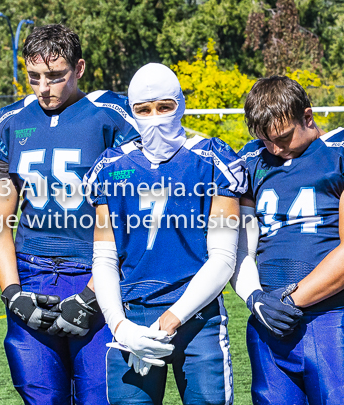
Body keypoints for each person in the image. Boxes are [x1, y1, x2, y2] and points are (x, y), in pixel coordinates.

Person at [0, 24, 140, 404]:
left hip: (96, 271)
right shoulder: (9, 122)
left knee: (101, 395)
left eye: (56, 77)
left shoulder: (111, 115)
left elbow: (131, 217)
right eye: (34, 77)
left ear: (80, 68)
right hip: (32, 272)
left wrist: (93, 293)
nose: (44, 88)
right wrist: (11, 292)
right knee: (40, 395)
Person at [86, 63, 246, 405]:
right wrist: (120, 327)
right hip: (132, 315)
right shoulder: (110, 166)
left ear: (181, 104)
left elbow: (223, 259)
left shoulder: (214, 158)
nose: (155, 117)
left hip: (197, 316)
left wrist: (170, 320)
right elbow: (104, 258)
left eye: (164, 107)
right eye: (143, 110)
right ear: (132, 113)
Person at [231, 75, 344, 405]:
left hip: (332, 321)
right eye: (265, 140)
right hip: (267, 325)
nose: (275, 148)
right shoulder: (251, 159)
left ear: (308, 115)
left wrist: (289, 300)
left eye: (283, 137)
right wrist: (255, 298)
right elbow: (236, 242)